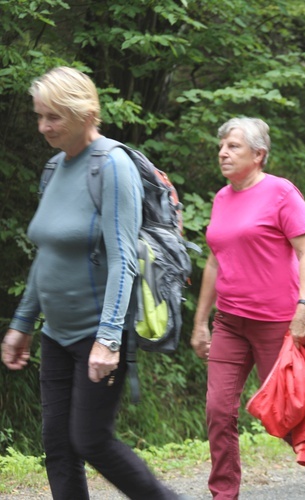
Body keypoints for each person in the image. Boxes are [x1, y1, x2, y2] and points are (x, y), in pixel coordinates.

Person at [0, 66, 180, 499]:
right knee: (58, 447)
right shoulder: (53, 168)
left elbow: (123, 260)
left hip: (98, 332)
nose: (43, 126)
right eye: (40, 116)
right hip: (56, 334)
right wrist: (23, 323)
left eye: (53, 117)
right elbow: (47, 254)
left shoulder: (111, 165)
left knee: (91, 440)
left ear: (84, 113)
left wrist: (109, 339)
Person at [190, 117, 305, 499]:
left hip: (275, 322)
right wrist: (200, 323)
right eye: (221, 147)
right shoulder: (221, 197)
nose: (223, 153)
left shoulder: (281, 193)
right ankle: (224, 494)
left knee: (285, 416)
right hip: (229, 321)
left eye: (233, 146)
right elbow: (214, 261)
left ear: (258, 155)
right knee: (217, 412)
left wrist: (304, 308)